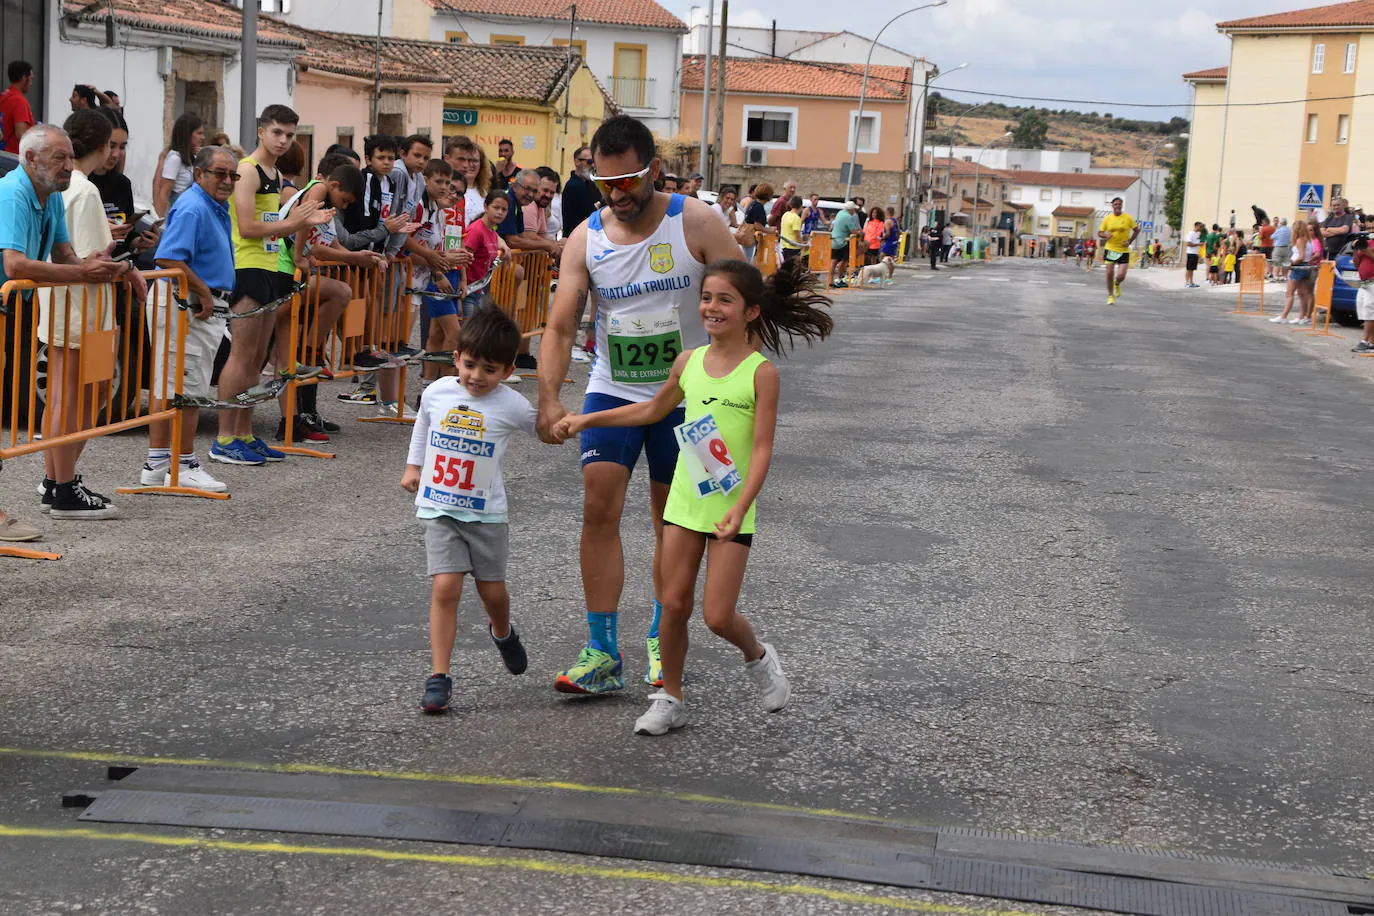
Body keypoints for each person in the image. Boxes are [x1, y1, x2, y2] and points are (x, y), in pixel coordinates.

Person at [552, 257, 832, 734]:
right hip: (685, 501)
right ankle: (670, 698)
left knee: (718, 616)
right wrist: (586, 418)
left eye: (725, 299)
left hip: (730, 507)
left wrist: (742, 505)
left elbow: (762, 449)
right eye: (706, 298)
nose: (712, 307)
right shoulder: (688, 362)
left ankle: (759, 657)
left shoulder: (760, 373)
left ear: (750, 312)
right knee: (675, 603)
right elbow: (650, 411)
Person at [535, 114, 744, 694]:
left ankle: (660, 637)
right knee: (598, 506)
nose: (617, 195)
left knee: (668, 523)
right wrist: (549, 397)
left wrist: (735, 382)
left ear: (653, 170)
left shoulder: (696, 221)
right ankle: (601, 649)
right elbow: (558, 327)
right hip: (615, 387)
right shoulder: (587, 237)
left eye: (627, 182)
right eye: (605, 184)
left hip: (689, 398)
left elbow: (747, 300)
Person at [402, 306, 535, 714]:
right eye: (470, 364)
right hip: (440, 507)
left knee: (492, 591)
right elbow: (424, 423)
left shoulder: (512, 405)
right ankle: (439, 675)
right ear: (456, 356)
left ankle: (502, 631)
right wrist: (413, 466)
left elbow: (545, 428)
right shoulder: (439, 391)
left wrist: (570, 423)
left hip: (487, 514)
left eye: (489, 369)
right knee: (445, 587)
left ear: (509, 370)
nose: (477, 376)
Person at [20, 118, 147, 522]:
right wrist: (128, 267)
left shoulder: (60, 188)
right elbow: (96, 257)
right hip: (81, 308)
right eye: (114, 144)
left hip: (61, 303)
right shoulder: (85, 189)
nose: (117, 153)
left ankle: (55, 479)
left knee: (62, 397)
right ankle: (63, 485)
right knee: (76, 398)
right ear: (100, 145)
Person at [208, 104, 333, 467]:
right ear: (261, 131)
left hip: (270, 267)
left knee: (257, 357)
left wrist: (301, 222)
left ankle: (245, 434)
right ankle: (224, 438)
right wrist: (294, 222)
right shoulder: (246, 171)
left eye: (290, 135)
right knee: (242, 355)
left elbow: (276, 225)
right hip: (247, 267)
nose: (283, 140)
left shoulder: (275, 174)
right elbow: (246, 227)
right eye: (277, 132)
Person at [141, 145, 239, 493]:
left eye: (232, 175)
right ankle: (181, 464)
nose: (228, 181)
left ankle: (158, 463)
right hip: (187, 306)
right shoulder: (196, 207)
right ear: (199, 174)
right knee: (188, 389)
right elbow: (168, 258)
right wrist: (204, 291)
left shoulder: (210, 205)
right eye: (220, 173)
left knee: (172, 385)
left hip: (191, 304)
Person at [463, 190, 512, 319]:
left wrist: (504, 245)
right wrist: (462, 285)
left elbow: (493, 237)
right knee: (469, 334)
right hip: (467, 291)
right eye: (496, 207)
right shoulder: (476, 230)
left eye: (504, 209)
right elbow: (462, 260)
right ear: (485, 206)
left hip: (478, 290)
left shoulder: (491, 229)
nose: (500, 212)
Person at [154, 113, 203, 217]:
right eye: (199, 133)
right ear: (188, 134)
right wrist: (162, 223)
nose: (203, 137)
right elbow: (164, 193)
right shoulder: (175, 159)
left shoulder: (191, 158)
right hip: (178, 213)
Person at [1273, 220, 1319, 325]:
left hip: (1298, 267)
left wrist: (1291, 264)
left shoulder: (1300, 240)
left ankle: (1284, 316)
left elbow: (1301, 256)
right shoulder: (1308, 240)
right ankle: (1301, 317)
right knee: (1302, 294)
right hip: (1306, 267)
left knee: (1290, 293)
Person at [561, 145, 600, 234]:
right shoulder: (575, 186)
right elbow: (593, 213)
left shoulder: (587, 184)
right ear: (577, 162)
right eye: (590, 161)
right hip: (575, 236)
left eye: (595, 162)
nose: (593, 165)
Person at [1, 60, 35, 154]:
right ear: (24, 78)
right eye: (31, 79)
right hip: (13, 156)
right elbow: (21, 134)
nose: (31, 84)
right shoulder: (19, 101)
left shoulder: (4, 97)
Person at [1348, 238, 1374, 352]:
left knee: (1370, 311)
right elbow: (1356, 264)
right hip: (1364, 282)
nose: (1371, 231)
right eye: (1369, 228)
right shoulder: (1366, 242)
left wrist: (1369, 253)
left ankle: (1364, 341)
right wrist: (1355, 249)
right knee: (1363, 309)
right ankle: (1371, 343)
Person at [828, 200, 859, 287]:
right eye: (854, 209)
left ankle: (830, 280)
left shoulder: (840, 213)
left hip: (834, 240)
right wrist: (861, 233)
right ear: (851, 209)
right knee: (844, 260)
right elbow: (853, 231)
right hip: (842, 241)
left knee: (833, 261)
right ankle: (840, 279)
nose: (854, 211)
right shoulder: (848, 217)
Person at [739, 182, 771, 263]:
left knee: (745, 258)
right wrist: (770, 230)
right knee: (747, 260)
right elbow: (757, 225)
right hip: (751, 237)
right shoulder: (759, 207)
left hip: (745, 233)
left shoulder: (753, 203)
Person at [779, 195, 804, 263]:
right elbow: (797, 235)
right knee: (793, 269)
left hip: (784, 246)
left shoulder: (785, 215)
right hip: (793, 248)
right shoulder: (796, 218)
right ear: (800, 206)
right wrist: (803, 246)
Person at [1270, 217, 1292, 283]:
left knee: (1277, 263)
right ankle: (1284, 277)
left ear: (1281, 223)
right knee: (1286, 263)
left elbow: (1272, 237)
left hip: (1278, 248)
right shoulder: (1289, 230)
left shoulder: (1279, 230)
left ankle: (1276, 277)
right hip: (1286, 248)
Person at [1183, 221, 1203, 287]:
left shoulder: (1197, 234)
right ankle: (1186, 283)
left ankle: (1191, 282)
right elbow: (1188, 244)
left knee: (1192, 269)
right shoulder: (1190, 233)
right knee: (1189, 269)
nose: (1201, 228)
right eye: (1200, 226)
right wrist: (1198, 244)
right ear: (1196, 226)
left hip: (1195, 253)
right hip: (1191, 253)